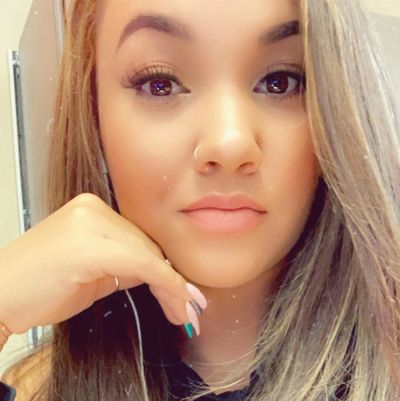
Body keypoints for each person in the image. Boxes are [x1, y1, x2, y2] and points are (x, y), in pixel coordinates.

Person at [1, 0, 400, 400]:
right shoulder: (35, 389)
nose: (230, 143)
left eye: (281, 81)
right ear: (94, 117)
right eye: (160, 83)